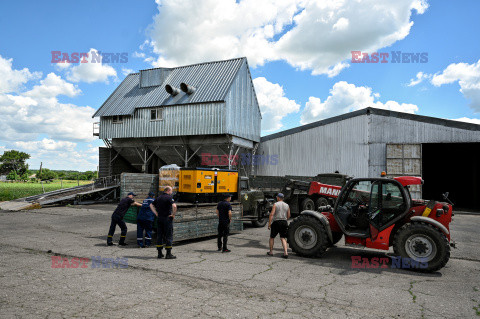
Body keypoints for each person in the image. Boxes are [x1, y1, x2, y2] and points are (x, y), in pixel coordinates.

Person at [150, 186, 177, 259]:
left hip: (159, 218)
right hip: (167, 218)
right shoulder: (169, 197)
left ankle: (159, 253)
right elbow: (174, 206)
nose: (172, 192)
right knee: (168, 235)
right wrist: (173, 214)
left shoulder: (158, 197)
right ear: (168, 190)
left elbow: (151, 205)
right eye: (171, 190)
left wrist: (155, 213)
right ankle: (168, 254)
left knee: (160, 235)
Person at [267, 193, 291, 258]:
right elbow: (289, 215)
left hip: (276, 222)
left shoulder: (275, 204)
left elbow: (271, 214)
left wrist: (269, 224)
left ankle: (271, 252)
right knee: (283, 238)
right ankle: (285, 253)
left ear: (278, 198)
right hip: (284, 222)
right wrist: (284, 219)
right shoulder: (287, 205)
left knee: (272, 237)